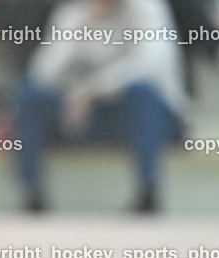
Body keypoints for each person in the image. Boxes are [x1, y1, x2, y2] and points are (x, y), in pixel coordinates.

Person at [13, 0, 186, 213]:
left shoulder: (147, 8)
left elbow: (148, 65)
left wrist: (92, 90)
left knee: (142, 95)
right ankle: (32, 196)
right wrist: (79, 28)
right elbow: (42, 74)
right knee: (28, 97)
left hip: (153, 117)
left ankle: (147, 194)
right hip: (89, 112)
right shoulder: (73, 13)